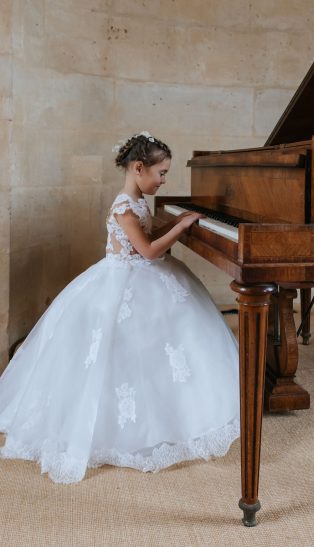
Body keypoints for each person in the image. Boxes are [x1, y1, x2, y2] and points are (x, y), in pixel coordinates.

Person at [0, 131, 240, 484]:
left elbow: (150, 240)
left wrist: (176, 222)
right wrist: (182, 225)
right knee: (122, 351)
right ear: (139, 168)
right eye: (162, 173)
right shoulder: (125, 206)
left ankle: (173, 408)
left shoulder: (138, 199)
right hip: (124, 279)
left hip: (144, 276)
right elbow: (148, 251)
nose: (164, 180)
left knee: (169, 339)